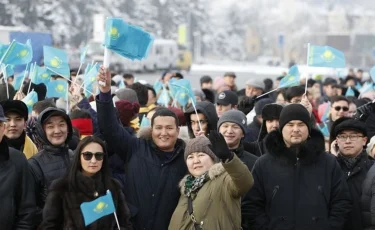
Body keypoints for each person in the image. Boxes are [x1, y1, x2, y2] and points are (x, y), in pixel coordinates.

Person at [96, 66, 187, 229]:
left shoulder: (187, 158)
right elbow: (110, 128)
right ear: (152, 130)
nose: (163, 133)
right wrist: (105, 93)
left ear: (178, 130)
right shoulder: (135, 148)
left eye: (169, 128)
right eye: (158, 128)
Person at [248, 104, 352, 230]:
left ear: (308, 129)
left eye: (301, 124)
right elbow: (252, 205)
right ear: (281, 129)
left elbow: (341, 201)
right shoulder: (263, 164)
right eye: (290, 125)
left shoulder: (328, 162)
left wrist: (329, 226)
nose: (296, 129)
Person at [41, 136, 132, 229]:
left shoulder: (113, 187)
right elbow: (49, 226)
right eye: (87, 155)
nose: (93, 161)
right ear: (78, 157)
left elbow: (125, 222)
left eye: (99, 155)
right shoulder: (61, 187)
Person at [168, 132, 253, 229]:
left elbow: (245, 182)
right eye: (190, 157)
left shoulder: (225, 179)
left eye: (201, 155)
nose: (196, 161)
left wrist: (228, 158)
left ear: (213, 158)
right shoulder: (187, 189)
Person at [28, 107, 74, 225]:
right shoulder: (35, 164)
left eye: (61, 125)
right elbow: (30, 207)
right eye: (50, 126)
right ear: (42, 131)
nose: (57, 131)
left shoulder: (76, 156)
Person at [217, 110, 258, 229]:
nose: (229, 131)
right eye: (225, 126)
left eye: (235, 127)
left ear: (243, 133)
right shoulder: (208, 158)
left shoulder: (254, 162)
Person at [332, 119, 373, 230]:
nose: (348, 141)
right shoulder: (329, 168)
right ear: (337, 140)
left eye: (354, 136)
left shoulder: (372, 169)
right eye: (343, 136)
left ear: (364, 141)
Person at [0, 104, 36, 229]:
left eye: (18, 119)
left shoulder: (18, 160)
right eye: (8, 119)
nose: (13, 124)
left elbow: (27, 210)